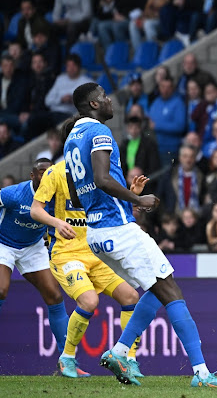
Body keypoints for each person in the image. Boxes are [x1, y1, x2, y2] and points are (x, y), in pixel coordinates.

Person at [63, 82, 217, 388]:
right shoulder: (99, 132)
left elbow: (76, 196)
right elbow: (102, 179)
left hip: (97, 234)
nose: (109, 100)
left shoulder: (70, 140)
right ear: (92, 105)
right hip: (119, 230)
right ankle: (202, 374)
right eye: (103, 97)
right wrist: (136, 199)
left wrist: (125, 201)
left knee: (155, 288)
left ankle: (119, 351)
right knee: (172, 292)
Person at [30, 132, 147, 378]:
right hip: (66, 253)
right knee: (89, 301)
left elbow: (113, 211)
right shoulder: (55, 173)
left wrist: (131, 194)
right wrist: (57, 223)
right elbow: (35, 210)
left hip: (96, 253)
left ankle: (128, 359)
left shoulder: (98, 173)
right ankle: (67, 358)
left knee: (130, 297)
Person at [0, 159, 70, 374]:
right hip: (4, 244)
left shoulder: (58, 196)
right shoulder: (14, 193)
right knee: (1, 290)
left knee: (55, 296)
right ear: (32, 176)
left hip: (33, 247)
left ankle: (67, 360)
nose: (46, 175)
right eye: (41, 172)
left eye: (50, 171)